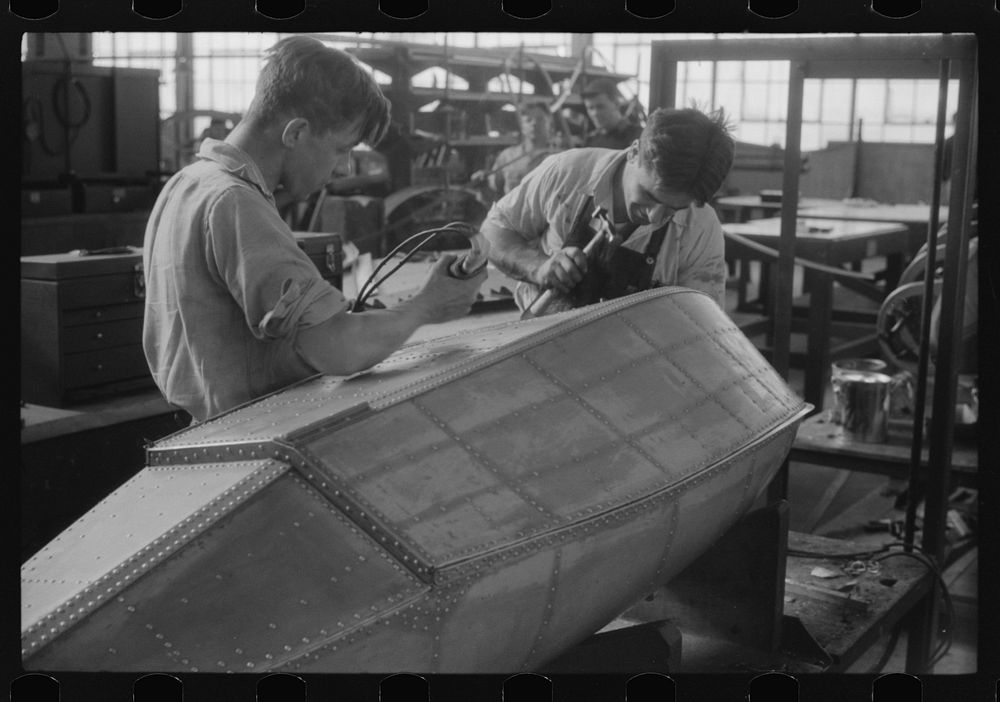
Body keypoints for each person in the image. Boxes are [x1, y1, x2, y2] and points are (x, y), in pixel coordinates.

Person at [142, 36, 485, 423]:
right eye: (342, 149)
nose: (344, 169)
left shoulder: (188, 182)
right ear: (296, 133)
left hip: (210, 423)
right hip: (248, 429)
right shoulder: (236, 203)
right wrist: (427, 306)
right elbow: (339, 349)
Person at [480, 106, 734, 315]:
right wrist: (538, 267)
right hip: (541, 341)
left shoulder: (701, 226)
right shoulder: (568, 172)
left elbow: (702, 325)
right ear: (634, 152)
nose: (655, 217)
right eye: (648, 196)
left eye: (673, 209)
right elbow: (494, 231)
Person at [471, 100, 561, 200]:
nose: (534, 123)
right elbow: (493, 195)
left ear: (550, 125)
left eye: (540, 119)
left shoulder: (560, 158)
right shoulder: (508, 156)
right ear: (522, 126)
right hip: (513, 214)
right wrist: (482, 184)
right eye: (528, 120)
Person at [581, 77, 644, 150]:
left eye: (600, 106)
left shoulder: (638, 137)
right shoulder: (590, 142)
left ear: (616, 104)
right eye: (590, 108)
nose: (595, 113)